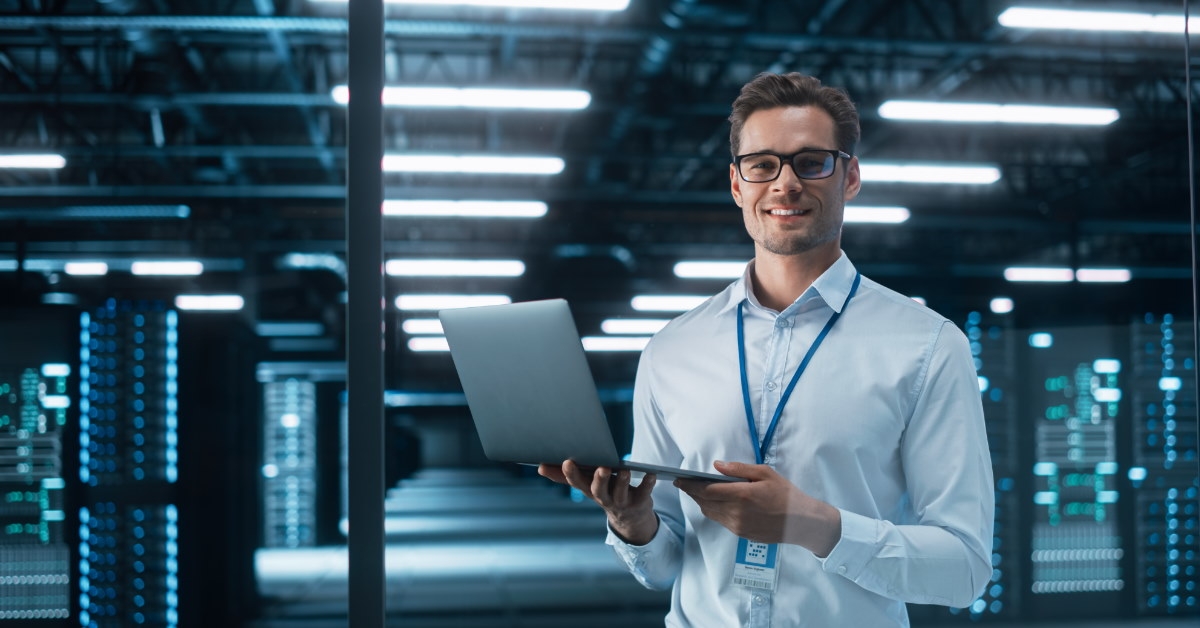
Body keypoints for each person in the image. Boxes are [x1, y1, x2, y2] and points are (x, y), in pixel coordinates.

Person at [539, 72, 994, 627]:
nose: (785, 184)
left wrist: (812, 525)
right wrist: (633, 524)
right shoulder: (673, 349)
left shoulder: (927, 346)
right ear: (738, 184)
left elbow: (964, 568)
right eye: (762, 165)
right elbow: (663, 566)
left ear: (850, 177)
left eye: (811, 162)